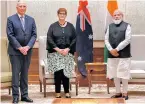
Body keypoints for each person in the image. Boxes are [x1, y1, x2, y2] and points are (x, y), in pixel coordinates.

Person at [6, 1, 37, 103]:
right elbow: (10, 35)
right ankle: (15, 96)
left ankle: (24, 95)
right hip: (15, 51)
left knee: (24, 73)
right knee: (16, 74)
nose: (22, 8)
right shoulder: (10, 19)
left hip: (27, 51)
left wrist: (27, 47)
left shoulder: (31, 20)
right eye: (20, 6)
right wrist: (20, 47)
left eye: (24, 6)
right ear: (17, 7)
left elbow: (34, 35)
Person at [46, 8, 76, 98]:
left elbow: (74, 38)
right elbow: (49, 38)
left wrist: (68, 49)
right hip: (55, 53)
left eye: (64, 13)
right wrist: (58, 49)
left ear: (66, 15)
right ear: (58, 14)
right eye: (60, 13)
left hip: (67, 53)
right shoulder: (52, 26)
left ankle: (67, 92)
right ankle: (57, 92)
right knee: (58, 72)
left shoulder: (71, 26)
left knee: (66, 72)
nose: (62, 15)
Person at [105, 10, 131, 100]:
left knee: (124, 74)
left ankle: (125, 93)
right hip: (112, 54)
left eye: (118, 15)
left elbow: (128, 39)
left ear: (122, 16)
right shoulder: (109, 26)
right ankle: (118, 92)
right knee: (115, 74)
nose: (116, 16)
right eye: (114, 15)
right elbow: (106, 40)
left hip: (124, 54)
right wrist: (111, 50)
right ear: (113, 17)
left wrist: (117, 49)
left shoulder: (127, 25)